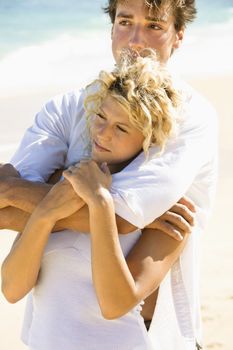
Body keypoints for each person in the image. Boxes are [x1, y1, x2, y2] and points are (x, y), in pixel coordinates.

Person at [0, 1, 218, 349]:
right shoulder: (67, 108)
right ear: (111, 26)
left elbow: (122, 217)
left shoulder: (190, 118)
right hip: (51, 331)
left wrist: (40, 189)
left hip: (140, 334)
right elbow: (5, 211)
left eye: (154, 26)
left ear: (178, 35)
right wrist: (16, 194)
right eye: (125, 22)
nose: (135, 40)